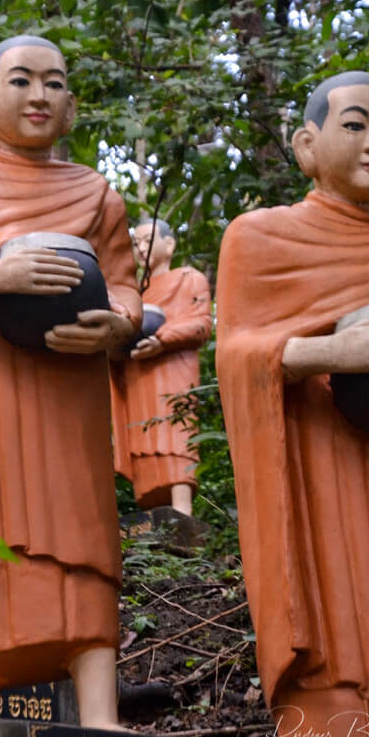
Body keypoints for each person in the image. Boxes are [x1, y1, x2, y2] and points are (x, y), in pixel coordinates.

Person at [0, 35, 141, 734]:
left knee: (86, 546)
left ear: (70, 106)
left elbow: (126, 286)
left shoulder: (95, 193)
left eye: (54, 83)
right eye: (21, 81)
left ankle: (101, 718)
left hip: (68, 402)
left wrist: (118, 324)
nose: (39, 95)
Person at [216, 70, 369, 737]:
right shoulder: (262, 238)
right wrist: (324, 352)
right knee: (344, 670)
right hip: (322, 496)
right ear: (306, 147)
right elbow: (235, 353)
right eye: (355, 124)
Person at [110, 218, 211, 515]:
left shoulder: (187, 278)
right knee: (142, 441)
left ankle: (182, 512)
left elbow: (201, 323)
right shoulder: (134, 294)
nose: (141, 248)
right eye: (136, 242)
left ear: (170, 244)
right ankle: (153, 517)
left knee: (175, 435)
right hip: (138, 375)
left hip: (172, 371)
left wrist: (163, 339)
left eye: (148, 240)